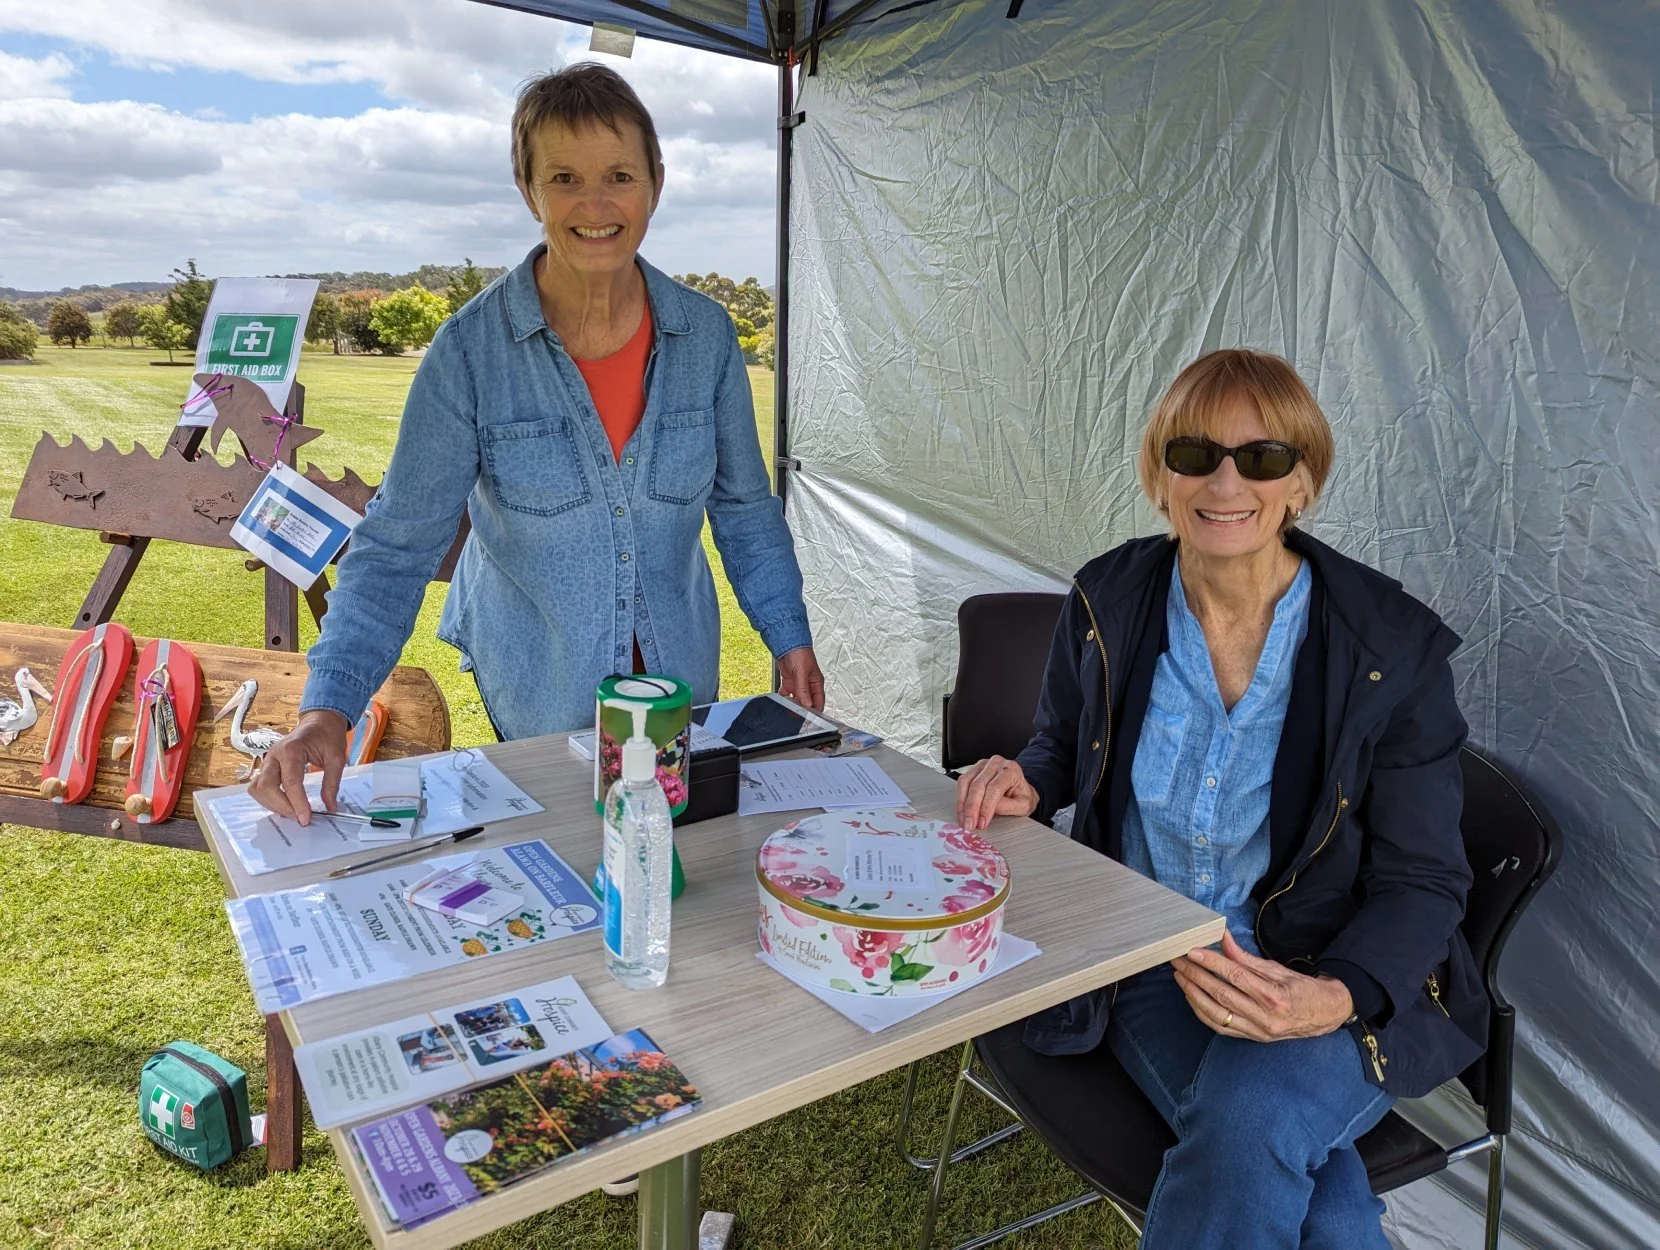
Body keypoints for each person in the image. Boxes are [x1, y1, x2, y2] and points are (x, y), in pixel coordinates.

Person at [955, 349, 1485, 1247]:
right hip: (1150, 953)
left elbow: (1425, 879)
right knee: (1323, 1203)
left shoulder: (1388, 648)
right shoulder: (1109, 598)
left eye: (1265, 458)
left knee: (1250, 1126)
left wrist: (1333, 996)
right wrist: (1027, 777)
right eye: (1195, 453)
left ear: (1304, 484)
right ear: (1160, 475)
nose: (1226, 479)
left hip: (1323, 967)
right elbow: (1059, 738)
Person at [253, 63, 822, 826]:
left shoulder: (708, 338)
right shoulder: (468, 355)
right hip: (539, 687)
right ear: (529, 190)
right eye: (564, 177)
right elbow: (397, 546)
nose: (596, 204)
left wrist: (789, 636)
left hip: (680, 682)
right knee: (563, 861)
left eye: (619, 175)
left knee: (672, 869)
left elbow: (746, 510)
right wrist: (329, 709)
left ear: (655, 181)